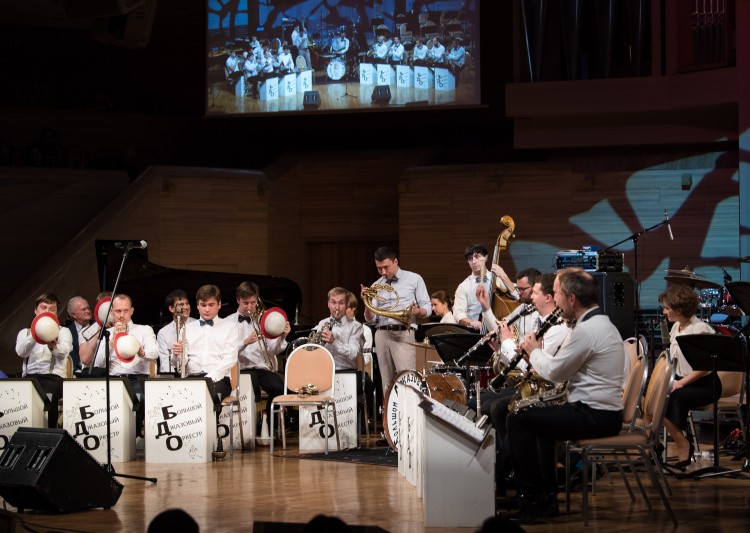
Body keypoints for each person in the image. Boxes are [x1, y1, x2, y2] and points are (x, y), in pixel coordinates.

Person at [504, 268, 625, 523]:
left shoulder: (588, 330)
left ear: (572, 299)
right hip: (598, 411)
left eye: (557, 294)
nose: (555, 300)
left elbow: (555, 373)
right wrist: (534, 354)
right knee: (536, 423)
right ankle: (545, 498)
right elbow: (559, 366)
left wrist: (534, 350)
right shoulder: (596, 323)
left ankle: (532, 500)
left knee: (518, 420)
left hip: (596, 415)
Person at [489, 273, 569, 494]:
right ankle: (514, 473)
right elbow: (535, 365)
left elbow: (545, 370)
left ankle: (510, 477)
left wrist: (509, 343)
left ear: (551, 298)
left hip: (561, 395)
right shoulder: (545, 323)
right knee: (502, 410)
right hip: (545, 386)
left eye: (534, 292)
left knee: (513, 416)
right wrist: (511, 351)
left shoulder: (560, 327)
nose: (531, 297)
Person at [658, 283, 719, 468]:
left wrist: (681, 383)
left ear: (679, 309)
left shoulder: (701, 329)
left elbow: (706, 367)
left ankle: (683, 444)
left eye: (667, 308)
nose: (664, 312)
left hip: (705, 385)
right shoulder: (676, 326)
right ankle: (654, 446)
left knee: (671, 397)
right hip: (683, 381)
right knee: (650, 396)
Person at [361, 246, 431, 394]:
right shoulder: (376, 285)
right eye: (379, 269)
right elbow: (371, 319)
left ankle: (409, 417)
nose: (383, 272)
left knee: (407, 380)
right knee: (387, 383)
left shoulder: (414, 279)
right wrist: (366, 303)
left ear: (396, 261)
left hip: (403, 332)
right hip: (381, 334)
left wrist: (417, 311)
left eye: (386, 267)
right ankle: (390, 417)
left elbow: (428, 308)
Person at [87, 293, 158, 437]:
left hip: (137, 378)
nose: (122, 315)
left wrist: (141, 351)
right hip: (114, 379)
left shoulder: (144, 330)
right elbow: (98, 363)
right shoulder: (106, 334)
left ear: (132, 311)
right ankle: (111, 438)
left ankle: (135, 436)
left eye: (125, 311)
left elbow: (155, 353)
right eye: (118, 311)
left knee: (139, 398)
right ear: (112, 312)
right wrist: (111, 344)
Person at [172, 285, 242, 426]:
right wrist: (177, 355)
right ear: (197, 306)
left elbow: (229, 359)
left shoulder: (231, 327)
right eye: (203, 305)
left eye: (211, 305)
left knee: (208, 395)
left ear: (219, 305)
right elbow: (181, 363)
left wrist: (209, 379)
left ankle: (210, 438)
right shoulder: (187, 328)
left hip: (219, 379)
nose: (207, 309)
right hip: (192, 377)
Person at [226, 281, 290, 425]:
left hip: (261, 369)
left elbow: (274, 350)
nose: (249, 307)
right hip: (239, 370)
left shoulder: (263, 321)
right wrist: (245, 343)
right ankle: (249, 427)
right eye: (245, 303)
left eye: (253, 302)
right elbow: (226, 352)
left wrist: (282, 336)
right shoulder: (227, 323)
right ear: (238, 301)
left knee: (279, 387)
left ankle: (269, 427)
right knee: (250, 390)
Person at [16, 293, 73, 427]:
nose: (47, 312)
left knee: (48, 395)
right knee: (16, 396)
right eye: (43, 307)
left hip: (53, 378)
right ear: (36, 310)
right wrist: (35, 334)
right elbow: (21, 352)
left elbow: (64, 353)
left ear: (56, 313)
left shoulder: (63, 331)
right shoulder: (25, 332)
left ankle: (49, 434)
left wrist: (54, 347)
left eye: (52, 309)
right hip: (30, 377)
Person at [453, 244, 518, 331]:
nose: (474, 262)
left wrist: (504, 276)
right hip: (475, 332)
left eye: (477, 257)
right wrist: (471, 322)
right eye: (470, 259)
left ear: (486, 257)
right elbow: (458, 313)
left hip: (499, 329)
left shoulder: (497, 279)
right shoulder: (463, 286)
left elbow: (517, 296)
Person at [156, 289, 196, 375]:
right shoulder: (163, 333)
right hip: (173, 376)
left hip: (195, 374)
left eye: (187, 303)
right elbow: (165, 361)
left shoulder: (198, 325)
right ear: (171, 308)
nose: (186, 307)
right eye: (181, 304)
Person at [65, 295, 96, 373]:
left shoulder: (98, 327)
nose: (88, 311)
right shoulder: (66, 331)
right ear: (73, 314)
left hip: (96, 372)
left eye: (88, 308)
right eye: (83, 309)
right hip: (75, 374)